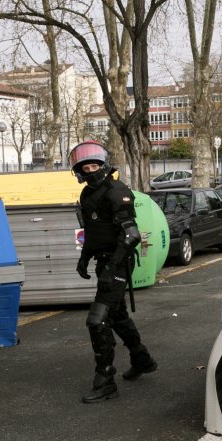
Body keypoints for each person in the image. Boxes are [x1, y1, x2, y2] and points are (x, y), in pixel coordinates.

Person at [71, 140, 157, 403]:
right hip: (103, 259)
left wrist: (112, 268)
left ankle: (105, 379)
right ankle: (141, 358)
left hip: (118, 262)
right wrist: (85, 258)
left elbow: (131, 235)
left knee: (97, 320)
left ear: (104, 165)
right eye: (85, 167)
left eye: (94, 165)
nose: (90, 170)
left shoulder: (117, 191)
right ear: (79, 171)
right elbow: (93, 232)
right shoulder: (87, 195)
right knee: (117, 314)